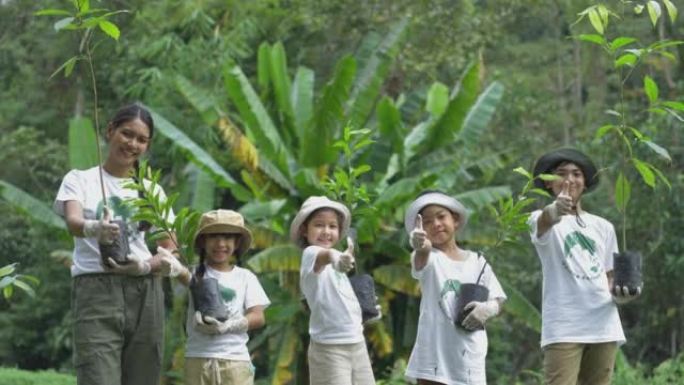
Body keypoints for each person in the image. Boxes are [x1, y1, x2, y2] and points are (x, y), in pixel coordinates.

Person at [53, 103, 179, 385]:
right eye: (126, 134)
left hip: (145, 292)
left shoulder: (150, 191)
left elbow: (171, 247)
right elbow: (72, 221)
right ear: (110, 131)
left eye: (141, 139)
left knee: (143, 378)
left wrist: (146, 265)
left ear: (147, 145)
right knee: (97, 376)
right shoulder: (80, 180)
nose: (132, 143)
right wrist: (93, 227)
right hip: (96, 289)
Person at [528, 148, 641, 385]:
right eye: (561, 173)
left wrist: (622, 294)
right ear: (549, 184)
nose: (569, 179)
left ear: (585, 183)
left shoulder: (603, 226)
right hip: (564, 325)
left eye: (576, 174)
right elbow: (544, 222)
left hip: (603, 322)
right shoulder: (541, 219)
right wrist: (555, 210)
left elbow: (609, 275)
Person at [404, 191, 506, 385]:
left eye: (441, 216)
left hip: (470, 358)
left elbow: (498, 299)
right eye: (427, 221)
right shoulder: (431, 259)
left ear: (455, 220)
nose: (436, 224)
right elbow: (420, 257)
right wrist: (420, 245)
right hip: (433, 360)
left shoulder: (478, 261)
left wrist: (488, 309)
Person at [161, 209, 270, 385]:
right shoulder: (195, 273)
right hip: (198, 358)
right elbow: (187, 278)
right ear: (203, 241)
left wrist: (229, 325)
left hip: (235, 361)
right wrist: (175, 267)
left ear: (236, 242)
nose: (220, 243)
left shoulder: (245, 277)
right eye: (213, 237)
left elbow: (258, 316)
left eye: (227, 237)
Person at [290, 196, 376, 385]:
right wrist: (337, 259)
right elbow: (327, 255)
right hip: (329, 347)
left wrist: (364, 311)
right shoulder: (310, 254)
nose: (326, 231)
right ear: (305, 230)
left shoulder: (338, 270)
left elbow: (339, 299)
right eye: (319, 225)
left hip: (356, 341)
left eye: (332, 226)